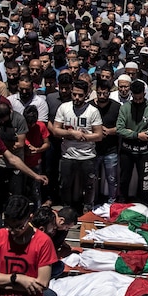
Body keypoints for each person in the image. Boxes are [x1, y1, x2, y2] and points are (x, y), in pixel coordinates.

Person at [51, 80, 103, 212]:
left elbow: (99, 135)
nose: (76, 98)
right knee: (65, 184)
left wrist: (84, 136)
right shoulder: (64, 108)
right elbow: (56, 130)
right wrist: (72, 133)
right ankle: (66, 209)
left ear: (87, 94)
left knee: (89, 185)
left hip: (87, 156)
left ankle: (87, 209)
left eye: (80, 95)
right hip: (68, 155)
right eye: (74, 94)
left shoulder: (93, 111)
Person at [116, 80, 148, 203]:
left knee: (144, 180)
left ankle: (144, 203)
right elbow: (119, 129)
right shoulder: (125, 108)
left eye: (140, 98)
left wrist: (130, 133)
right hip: (126, 150)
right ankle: (122, 201)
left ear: (144, 94)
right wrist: (137, 135)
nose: (138, 101)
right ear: (131, 95)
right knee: (124, 178)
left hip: (144, 152)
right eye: (135, 98)